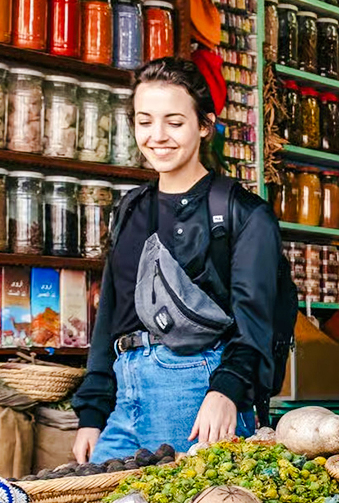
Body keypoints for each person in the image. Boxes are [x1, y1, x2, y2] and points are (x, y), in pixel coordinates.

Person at [70, 57, 281, 464]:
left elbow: (256, 321)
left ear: (204, 125)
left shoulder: (244, 213)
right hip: (125, 391)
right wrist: (93, 414)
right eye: (144, 121)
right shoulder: (131, 208)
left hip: (194, 390)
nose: (157, 136)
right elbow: (112, 312)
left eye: (174, 122)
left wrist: (226, 392)